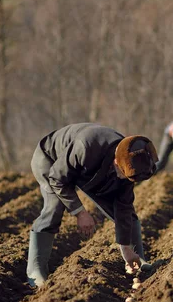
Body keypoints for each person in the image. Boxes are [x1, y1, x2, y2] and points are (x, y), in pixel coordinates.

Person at [26, 123, 158, 288]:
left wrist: (125, 249)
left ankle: (137, 257)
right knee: (54, 208)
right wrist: (80, 212)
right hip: (52, 161)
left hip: (89, 170)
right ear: (116, 162)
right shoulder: (87, 145)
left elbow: (123, 207)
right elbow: (57, 179)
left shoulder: (131, 161)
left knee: (126, 212)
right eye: (123, 175)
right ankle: (35, 270)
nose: (124, 180)